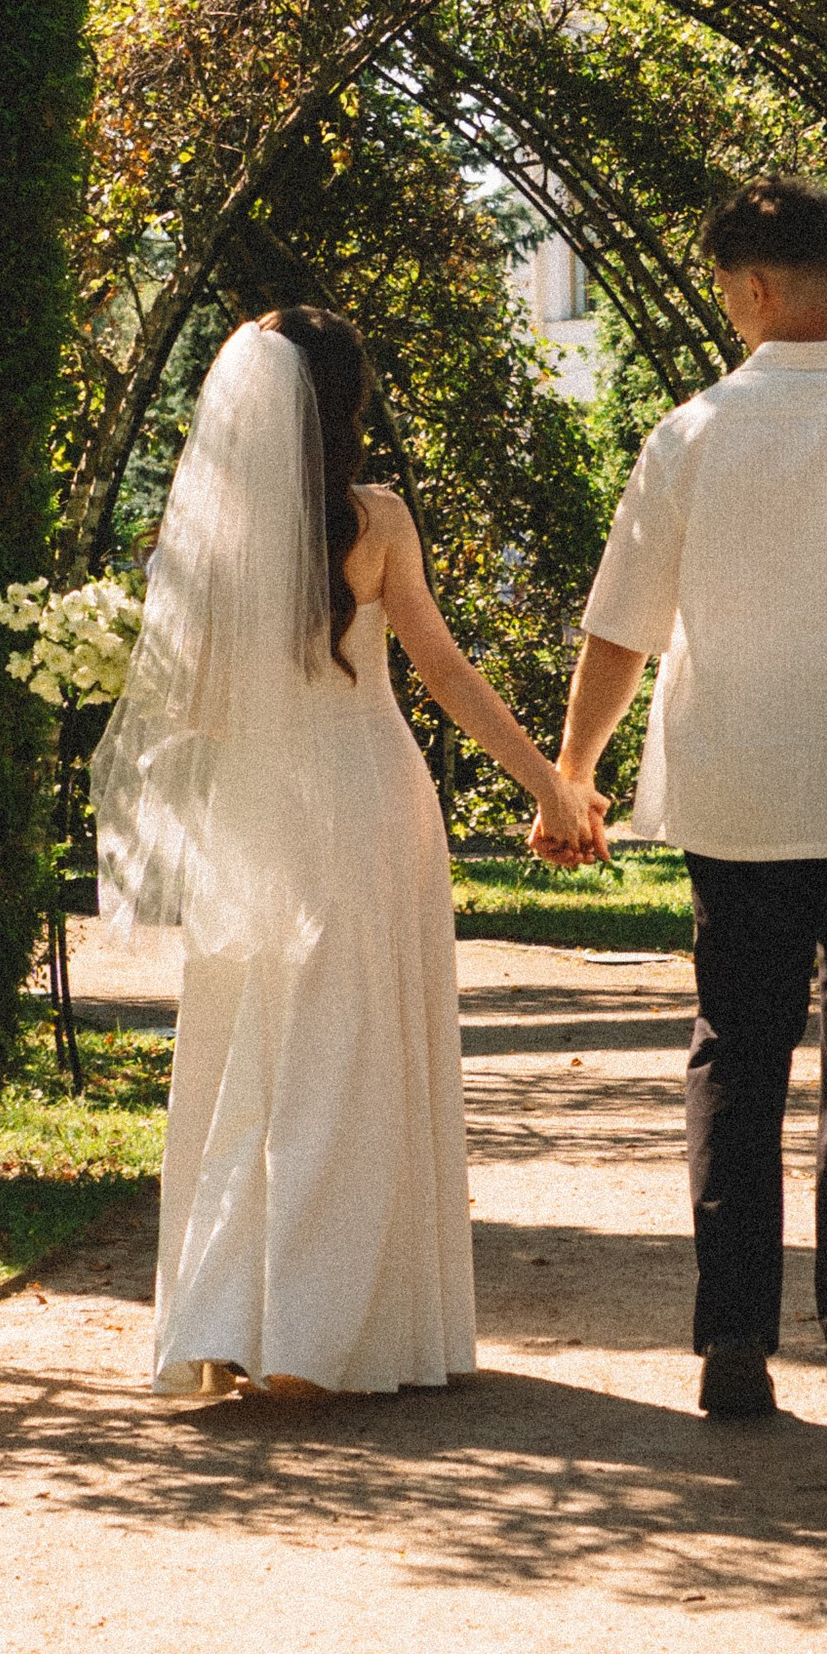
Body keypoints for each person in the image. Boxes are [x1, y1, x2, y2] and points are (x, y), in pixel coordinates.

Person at [538, 176, 827, 1421]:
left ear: (748, 288)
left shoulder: (690, 436)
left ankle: (734, 1332)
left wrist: (572, 772)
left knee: (736, 1052)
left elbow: (619, 633)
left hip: (735, 788)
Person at [93, 306, 591, 1400]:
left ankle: (232, 1320)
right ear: (345, 403)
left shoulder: (213, 532)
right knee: (353, 1051)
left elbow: (202, 708)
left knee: (248, 1056)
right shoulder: (377, 521)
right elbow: (445, 673)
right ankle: (332, 1334)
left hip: (260, 806)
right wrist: (548, 780)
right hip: (367, 795)